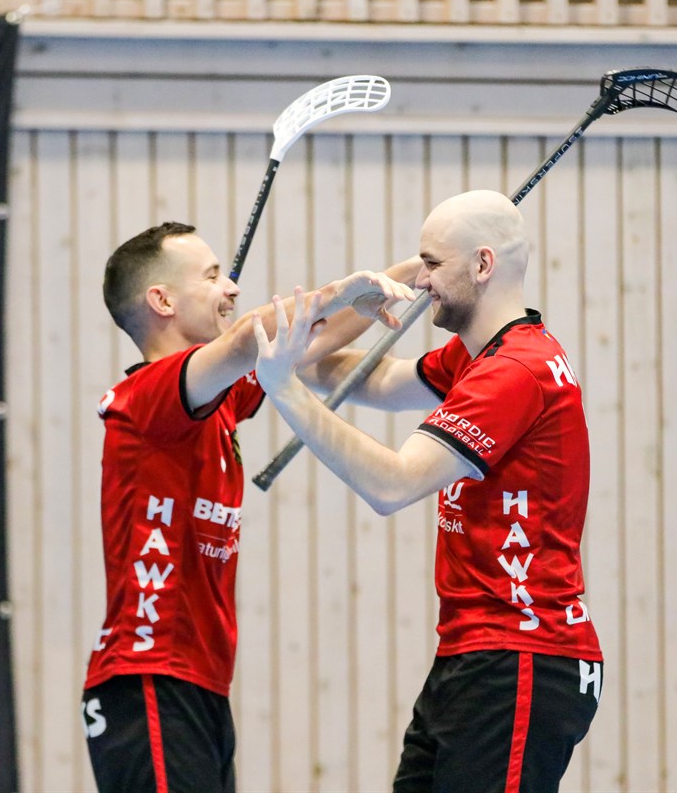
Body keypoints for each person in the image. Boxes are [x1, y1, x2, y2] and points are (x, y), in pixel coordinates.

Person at [251, 190, 603, 792]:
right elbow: (365, 376)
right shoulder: (479, 358)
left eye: (432, 264)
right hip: (474, 655)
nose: (422, 281)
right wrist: (358, 298)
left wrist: (283, 389)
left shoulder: (512, 372)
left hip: (520, 654)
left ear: (483, 264)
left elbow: (392, 483)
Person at [80, 220, 418, 793]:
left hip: (200, 685)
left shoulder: (218, 398)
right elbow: (247, 341)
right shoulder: (150, 396)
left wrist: (409, 275)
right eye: (213, 276)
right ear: (162, 300)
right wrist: (339, 290)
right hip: (149, 678)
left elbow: (307, 342)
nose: (231, 288)